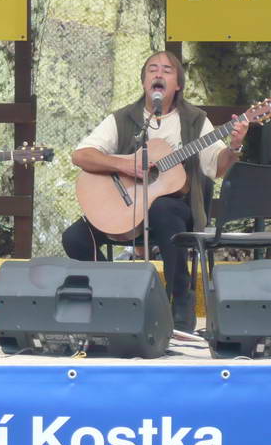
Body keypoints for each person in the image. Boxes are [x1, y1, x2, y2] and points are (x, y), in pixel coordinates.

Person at [62, 51, 249, 333]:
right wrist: (124, 164)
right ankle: (114, 296)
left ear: (178, 85)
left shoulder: (195, 121)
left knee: (162, 210)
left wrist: (234, 146)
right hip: (127, 208)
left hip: (177, 211)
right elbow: (81, 155)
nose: (158, 74)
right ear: (143, 81)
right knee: (74, 237)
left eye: (167, 70)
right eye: (152, 69)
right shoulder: (124, 118)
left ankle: (180, 299)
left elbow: (217, 166)